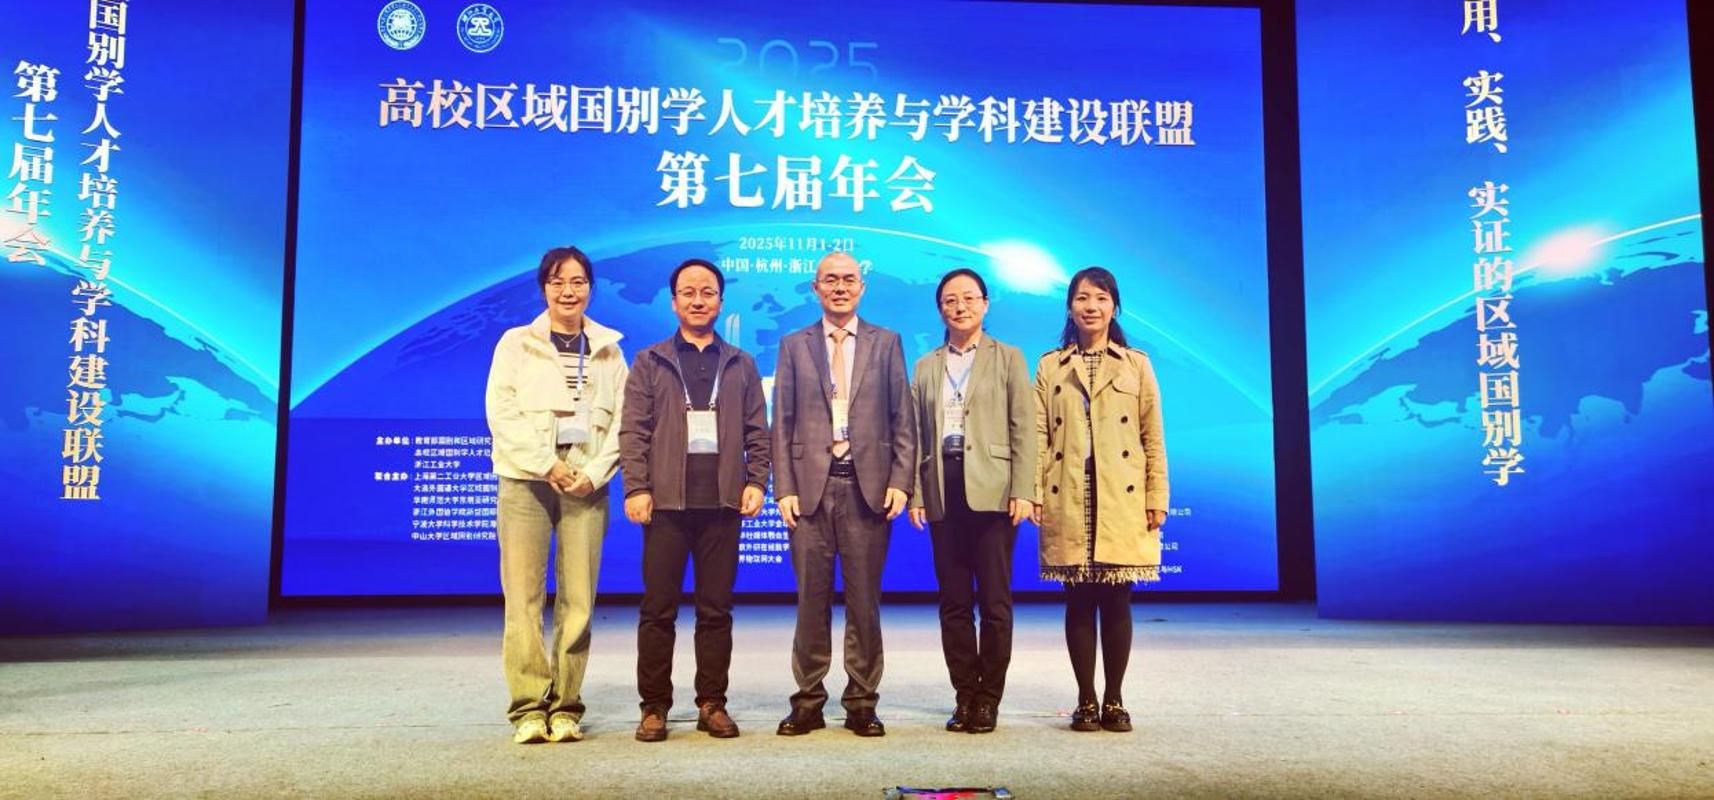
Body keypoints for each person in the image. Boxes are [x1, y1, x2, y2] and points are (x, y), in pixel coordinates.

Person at [619, 258, 771, 742]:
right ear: (674, 302)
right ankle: (654, 707)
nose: (698, 300)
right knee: (657, 610)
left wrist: (757, 480)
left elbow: (758, 430)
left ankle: (712, 703)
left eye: (708, 292)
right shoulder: (650, 361)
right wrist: (636, 487)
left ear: (721, 302)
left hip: (723, 504)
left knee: (716, 611)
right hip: (665, 504)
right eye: (689, 292)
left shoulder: (741, 363)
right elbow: (634, 431)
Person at [484, 245, 628, 744]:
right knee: (522, 600)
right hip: (527, 480)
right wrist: (547, 465)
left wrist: (595, 472)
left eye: (578, 282)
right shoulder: (516, 344)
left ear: (590, 288)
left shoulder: (608, 349)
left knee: (579, 600)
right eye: (558, 281)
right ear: (544, 287)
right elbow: (502, 413)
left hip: (586, 482)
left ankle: (566, 705)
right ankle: (528, 707)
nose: (569, 291)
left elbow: (625, 423)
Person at [771, 251, 916, 738]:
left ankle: (861, 701)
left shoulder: (886, 342)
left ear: (862, 287)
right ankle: (808, 699)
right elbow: (781, 421)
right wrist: (783, 487)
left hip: (866, 487)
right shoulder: (794, 344)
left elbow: (902, 419)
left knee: (864, 602)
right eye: (830, 280)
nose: (839, 287)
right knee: (810, 600)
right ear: (815, 288)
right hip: (809, 490)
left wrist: (900, 481)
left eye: (849, 279)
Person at [1031, 266, 1169, 733]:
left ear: (1114, 307)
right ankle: (1085, 700)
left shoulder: (1136, 364)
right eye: (1082, 298)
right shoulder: (1050, 365)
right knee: (1077, 600)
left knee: (1116, 600)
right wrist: (1034, 493)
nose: (1091, 307)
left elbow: (1153, 437)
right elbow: (1037, 437)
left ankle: (1115, 700)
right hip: (1069, 492)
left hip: (1121, 496)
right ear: (1070, 307)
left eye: (1101, 298)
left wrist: (1157, 495)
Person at [906, 268, 1036, 734]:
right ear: (940, 308)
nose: (959, 306)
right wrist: (917, 492)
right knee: (954, 602)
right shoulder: (926, 365)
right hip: (943, 488)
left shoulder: (1008, 357)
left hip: (995, 490)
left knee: (996, 603)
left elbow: (1025, 427)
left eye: (968, 298)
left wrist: (1024, 489)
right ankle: (964, 695)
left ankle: (989, 698)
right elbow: (915, 435)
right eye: (949, 300)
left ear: (985, 303)